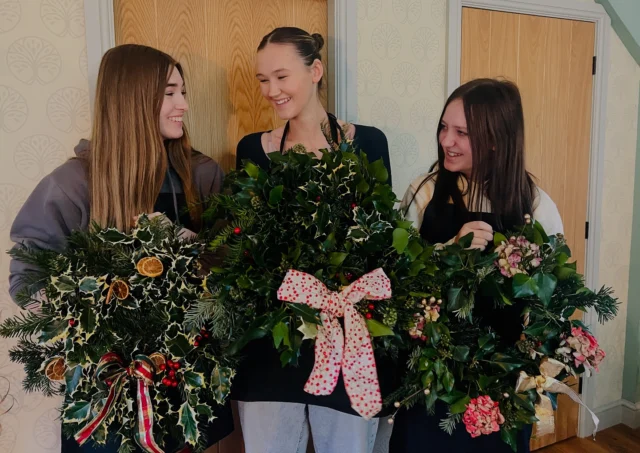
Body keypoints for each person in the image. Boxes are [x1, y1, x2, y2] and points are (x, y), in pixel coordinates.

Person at [8, 44, 232, 453]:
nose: (182, 104)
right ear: (132, 99)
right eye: (169, 93)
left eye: (183, 92)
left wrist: (194, 254)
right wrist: (85, 316)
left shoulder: (201, 173)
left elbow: (231, 263)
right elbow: (28, 275)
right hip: (106, 384)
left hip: (182, 376)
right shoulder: (74, 182)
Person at [233, 27, 394, 453]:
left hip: (348, 338)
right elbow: (244, 246)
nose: (271, 90)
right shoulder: (252, 150)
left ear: (316, 70)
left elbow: (382, 241)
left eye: (282, 77)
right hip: (273, 343)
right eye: (263, 80)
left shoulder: (370, 144)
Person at [391, 78, 563, 453]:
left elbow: (553, 300)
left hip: (500, 384)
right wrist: (450, 249)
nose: (445, 141)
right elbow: (393, 277)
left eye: (461, 132)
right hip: (428, 377)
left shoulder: (536, 206)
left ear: (495, 140)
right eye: (443, 127)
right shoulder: (424, 191)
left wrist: (536, 374)